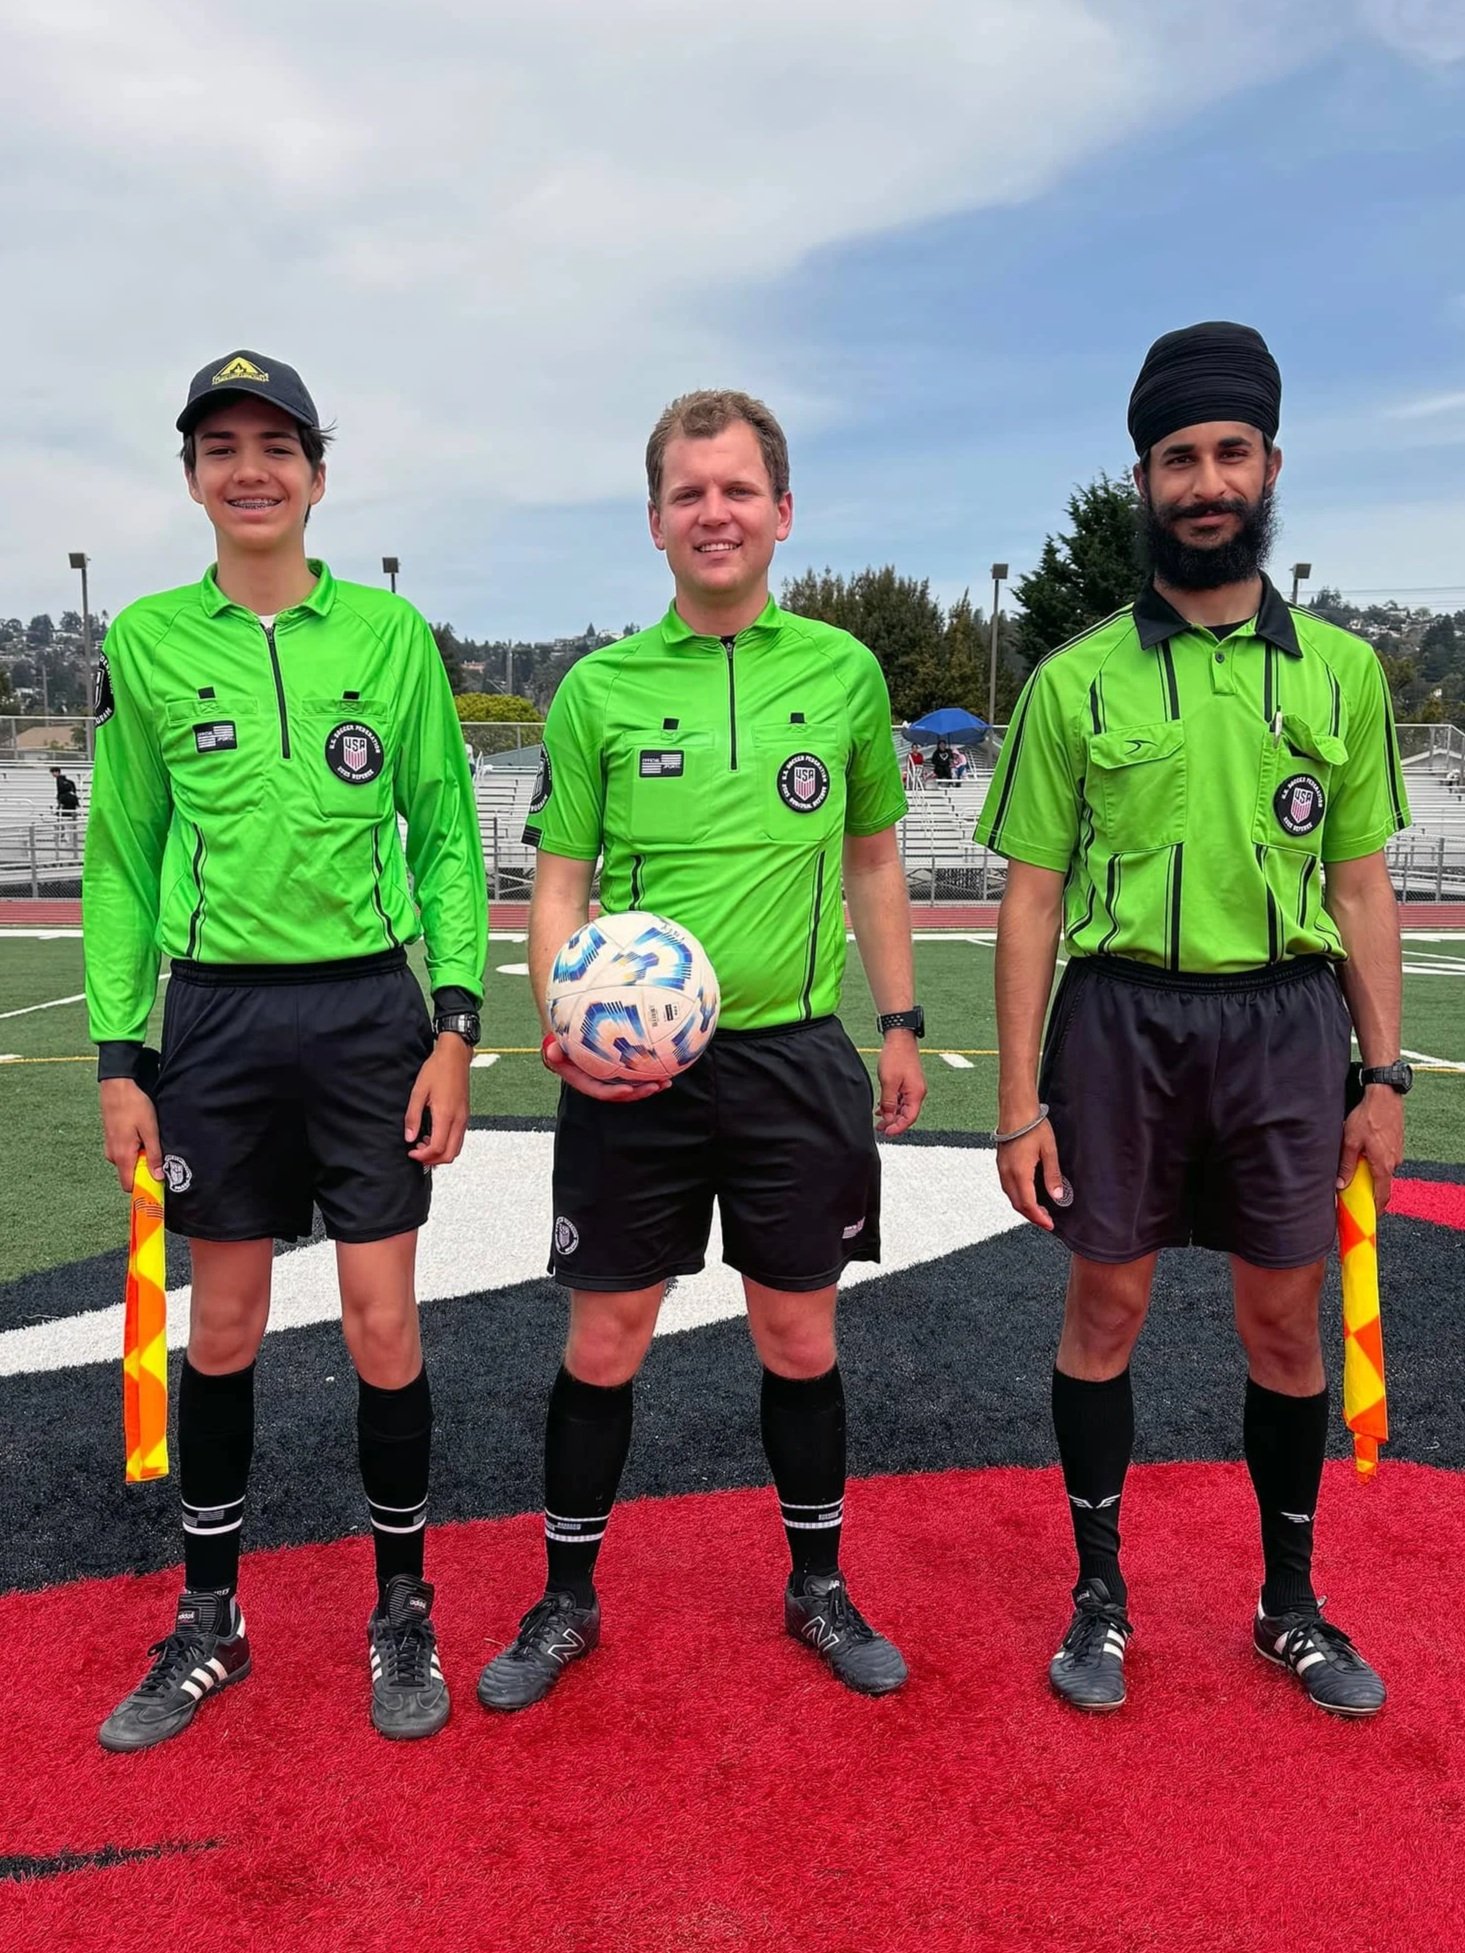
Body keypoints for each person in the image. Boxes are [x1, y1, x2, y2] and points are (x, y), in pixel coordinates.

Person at [976, 321, 1410, 1718]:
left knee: (1284, 1326)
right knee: (1104, 1300)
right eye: (1178, 458)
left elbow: (1357, 883)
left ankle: (1288, 1602)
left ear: (1269, 466)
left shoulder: (1340, 673)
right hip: (1120, 1027)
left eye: (1229, 453)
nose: (1205, 480)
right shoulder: (1072, 678)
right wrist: (1017, 1099)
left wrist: (1384, 1070)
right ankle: (1096, 1596)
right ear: (1143, 480)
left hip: (1286, 1029)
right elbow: (1031, 900)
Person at [478, 389, 926, 1711]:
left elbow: (873, 857)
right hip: (636, 1071)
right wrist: (560, 1008)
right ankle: (564, 1599)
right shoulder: (599, 689)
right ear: (656, 521)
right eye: (689, 492)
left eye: (737, 489)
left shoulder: (841, 673)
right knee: (607, 1335)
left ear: (781, 513)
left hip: (794, 1057)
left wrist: (897, 1023)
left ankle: (818, 1587)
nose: (713, 511)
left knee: (796, 1333)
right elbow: (556, 879)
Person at [83, 350, 487, 1750]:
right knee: (228, 1325)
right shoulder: (144, 639)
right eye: (219, 446)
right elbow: (125, 856)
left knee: (383, 1324)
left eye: (274, 444)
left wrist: (453, 1024)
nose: (248, 468)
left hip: (371, 1018)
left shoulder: (386, 636)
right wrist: (120, 1053)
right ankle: (212, 1616)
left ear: (318, 471)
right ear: (193, 475)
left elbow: (442, 833)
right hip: (219, 1025)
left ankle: (402, 1604)